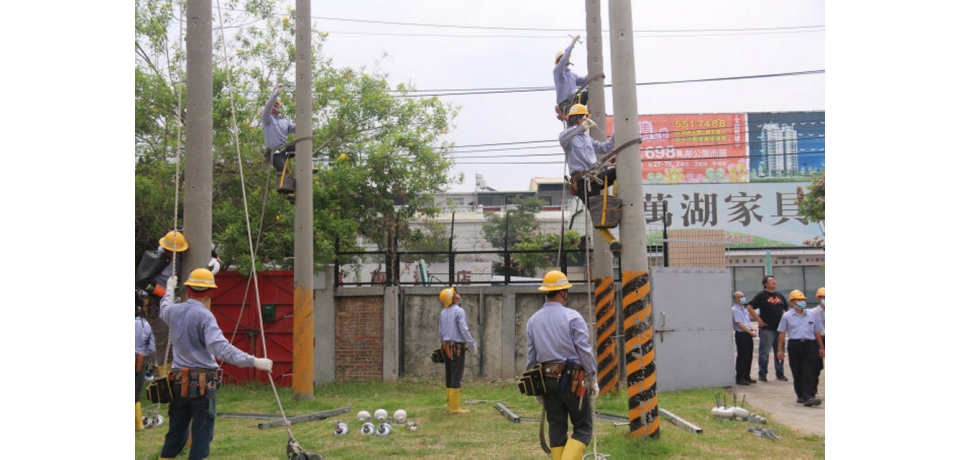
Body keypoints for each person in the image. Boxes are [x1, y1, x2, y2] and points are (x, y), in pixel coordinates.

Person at [158, 268, 273, 460]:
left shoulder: (173, 312)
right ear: (210, 292)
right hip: (202, 385)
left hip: (177, 382)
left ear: (188, 289)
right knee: (202, 434)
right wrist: (253, 361)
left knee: (175, 434)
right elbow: (221, 349)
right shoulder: (205, 316)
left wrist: (169, 289)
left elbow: (163, 307)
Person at [526, 270, 599, 460]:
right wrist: (592, 378)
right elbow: (584, 351)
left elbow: (531, 357)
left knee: (556, 426)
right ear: (561, 292)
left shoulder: (533, 320)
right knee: (583, 428)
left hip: (546, 379)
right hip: (572, 379)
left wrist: (536, 387)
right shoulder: (573, 317)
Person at [559, 103, 620, 256]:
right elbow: (563, 138)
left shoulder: (588, 139)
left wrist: (617, 131)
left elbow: (605, 148)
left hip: (595, 176)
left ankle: (616, 200)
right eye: (584, 117)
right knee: (597, 214)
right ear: (577, 118)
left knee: (618, 171)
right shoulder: (567, 138)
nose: (586, 120)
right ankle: (612, 242)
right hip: (582, 182)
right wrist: (581, 127)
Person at [776, 290, 825, 407]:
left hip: (810, 344)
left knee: (809, 371)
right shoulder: (787, 316)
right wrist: (779, 350)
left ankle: (809, 396)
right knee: (797, 370)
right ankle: (801, 396)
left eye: (803, 300)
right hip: (795, 345)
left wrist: (821, 347)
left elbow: (817, 331)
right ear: (792, 302)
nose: (802, 302)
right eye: (799, 300)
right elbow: (782, 333)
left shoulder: (811, 315)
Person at [438, 287, 478, 414]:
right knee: (456, 375)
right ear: (453, 299)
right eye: (456, 294)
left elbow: (441, 332)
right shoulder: (459, 311)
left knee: (449, 374)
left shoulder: (443, 313)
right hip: (457, 348)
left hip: (446, 347)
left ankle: (450, 405)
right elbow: (464, 330)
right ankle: (455, 408)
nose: (459, 296)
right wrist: (472, 346)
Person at [746, 275, 789, 382]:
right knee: (764, 352)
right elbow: (750, 308)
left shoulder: (780, 295)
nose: (774, 281)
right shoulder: (761, 295)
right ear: (765, 284)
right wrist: (759, 320)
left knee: (780, 351)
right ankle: (762, 373)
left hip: (780, 329)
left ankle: (780, 373)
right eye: (771, 280)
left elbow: (787, 308)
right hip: (767, 328)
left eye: (774, 280)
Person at [262, 84, 297, 174]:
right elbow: (268, 107)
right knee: (285, 174)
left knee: (302, 144)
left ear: (279, 108)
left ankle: (307, 168)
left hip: (285, 149)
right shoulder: (267, 120)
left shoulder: (284, 122)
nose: (274, 107)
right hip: (275, 153)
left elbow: (298, 128)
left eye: (276, 106)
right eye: (272, 106)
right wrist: (276, 93)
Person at [553, 35, 587, 122]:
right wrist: (572, 44)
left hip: (574, 102)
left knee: (588, 94)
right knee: (573, 123)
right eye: (563, 58)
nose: (566, 59)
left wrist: (594, 71)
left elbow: (583, 81)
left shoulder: (572, 75)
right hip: (565, 105)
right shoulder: (557, 72)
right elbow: (563, 60)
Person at [136, 299, 157, 431]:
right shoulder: (146, 326)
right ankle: (138, 425)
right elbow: (153, 348)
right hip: (138, 362)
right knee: (135, 394)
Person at [731, 291, 757, 386]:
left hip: (748, 334)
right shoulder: (735, 310)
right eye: (740, 297)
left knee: (749, 355)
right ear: (735, 299)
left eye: (743, 296)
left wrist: (753, 329)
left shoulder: (743, 309)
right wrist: (750, 332)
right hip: (742, 334)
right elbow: (740, 323)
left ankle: (747, 376)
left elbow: (748, 321)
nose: (743, 298)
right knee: (743, 356)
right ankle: (740, 377)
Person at [807, 287, 825, 395]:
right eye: (822, 297)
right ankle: (812, 389)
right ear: (818, 298)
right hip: (818, 338)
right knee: (815, 366)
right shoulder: (812, 313)